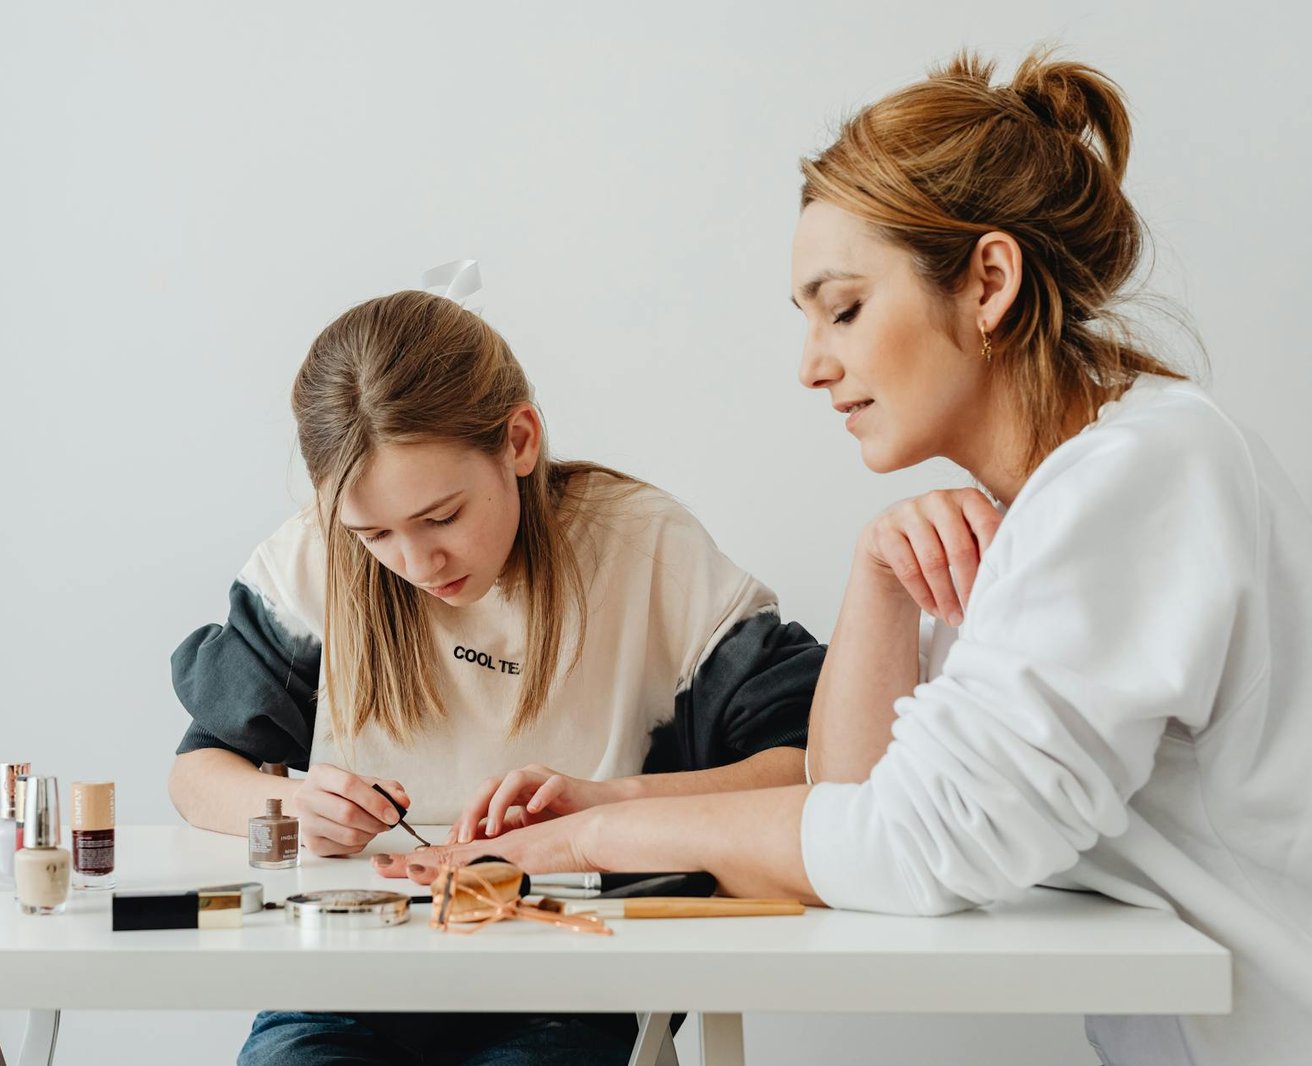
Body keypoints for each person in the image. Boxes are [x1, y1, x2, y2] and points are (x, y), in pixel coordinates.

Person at [385, 53, 1312, 1066]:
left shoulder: (1140, 477)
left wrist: (590, 841)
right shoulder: (1053, 501)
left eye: (844, 308)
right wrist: (875, 581)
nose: (812, 363)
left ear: (987, 283)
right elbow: (858, 802)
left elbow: (912, 848)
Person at [167, 268, 826, 1065]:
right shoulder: (311, 560)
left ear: (519, 441)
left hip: (572, 986)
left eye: (441, 516)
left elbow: (800, 772)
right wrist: (287, 803)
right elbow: (198, 773)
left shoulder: (645, 549)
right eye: (373, 534)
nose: (414, 562)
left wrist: (605, 808)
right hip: (344, 982)